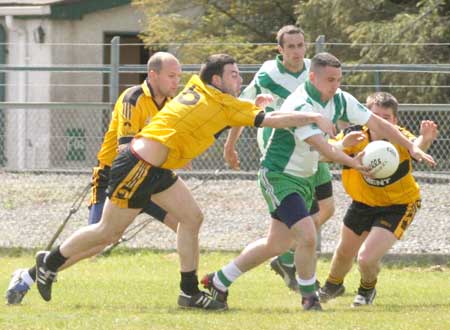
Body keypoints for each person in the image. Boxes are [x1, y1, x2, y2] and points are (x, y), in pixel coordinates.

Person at [31, 53, 339, 311]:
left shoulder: (201, 88)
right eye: (233, 75)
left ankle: (189, 292)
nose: (239, 80)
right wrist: (312, 117)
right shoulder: (222, 102)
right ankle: (50, 262)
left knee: (192, 218)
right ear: (217, 80)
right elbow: (271, 119)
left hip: (156, 167)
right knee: (107, 231)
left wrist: (251, 107)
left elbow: (213, 118)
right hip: (139, 165)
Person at [201, 53, 436, 311]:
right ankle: (309, 297)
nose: (335, 85)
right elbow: (324, 148)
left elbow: (375, 121)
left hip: (305, 178)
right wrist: (355, 162)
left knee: (277, 244)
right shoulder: (300, 104)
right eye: (329, 80)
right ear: (313, 77)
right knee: (308, 235)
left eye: (338, 79)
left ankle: (219, 280)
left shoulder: (340, 99)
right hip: (279, 175)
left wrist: (412, 148)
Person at [5, 52, 181, 305]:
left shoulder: (172, 104)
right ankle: (29, 276)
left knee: (185, 222)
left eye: (179, 76)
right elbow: (125, 149)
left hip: (150, 176)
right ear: (153, 75)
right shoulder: (132, 98)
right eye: (172, 75)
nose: (177, 81)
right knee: (99, 240)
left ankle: (194, 289)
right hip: (117, 176)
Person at [223, 25, 335, 292]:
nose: (297, 51)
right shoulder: (268, 74)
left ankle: (286, 259)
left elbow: (330, 101)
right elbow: (247, 110)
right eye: (291, 46)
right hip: (284, 159)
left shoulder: (314, 70)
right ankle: (299, 277)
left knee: (326, 210)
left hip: (314, 153)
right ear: (280, 49)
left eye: (301, 45)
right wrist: (230, 146)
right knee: (291, 233)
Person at [318, 92, 438, 307]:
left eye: (387, 117)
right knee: (344, 251)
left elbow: (415, 146)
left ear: (395, 121)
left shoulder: (399, 137)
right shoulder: (354, 136)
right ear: (365, 116)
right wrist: (343, 146)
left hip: (398, 206)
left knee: (366, 258)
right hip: (363, 203)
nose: (381, 121)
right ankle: (332, 285)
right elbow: (323, 154)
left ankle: (366, 290)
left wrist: (425, 140)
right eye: (375, 116)